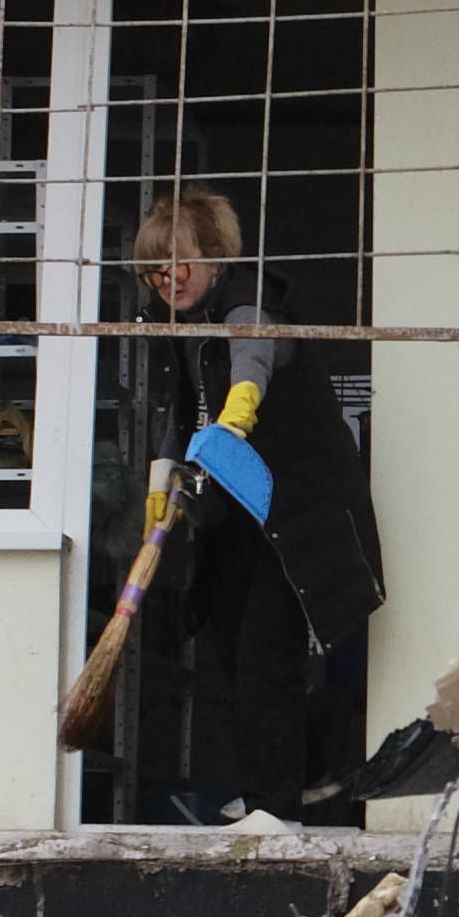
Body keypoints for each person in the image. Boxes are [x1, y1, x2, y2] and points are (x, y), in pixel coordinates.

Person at [102, 184, 381, 824]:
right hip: (236, 514)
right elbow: (180, 403)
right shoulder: (173, 321)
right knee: (230, 643)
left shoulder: (247, 298)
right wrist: (162, 477)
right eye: (152, 266)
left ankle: (274, 810)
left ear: (216, 256)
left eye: (179, 261)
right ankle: (290, 778)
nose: (164, 277)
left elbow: (251, 350)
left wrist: (240, 408)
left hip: (293, 509)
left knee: (265, 650)